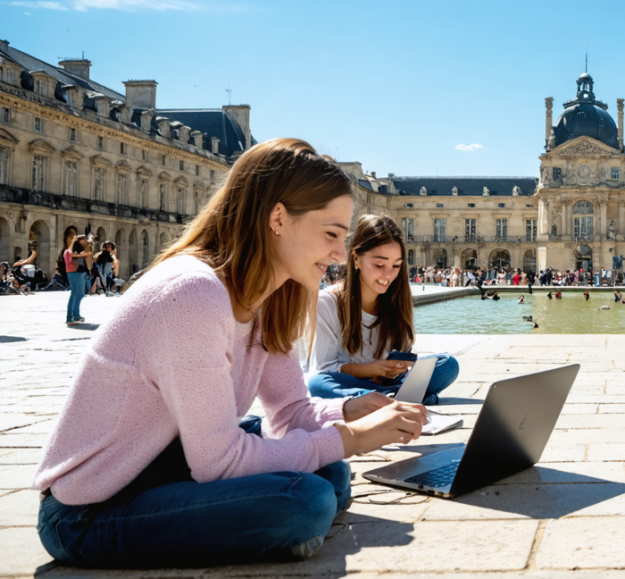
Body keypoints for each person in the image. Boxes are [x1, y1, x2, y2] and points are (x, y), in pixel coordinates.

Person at [32, 138, 429, 568]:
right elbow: (217, 461)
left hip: (168, 462)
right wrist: (352, 438)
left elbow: (289, 413)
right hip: (89, 509)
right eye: (331, 234)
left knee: (328, 472)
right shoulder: (193, 292)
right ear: (278, 218)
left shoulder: (269, 299)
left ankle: (273, 526)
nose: (338, 254)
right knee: (308, 498)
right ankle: (283, 527)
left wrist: (350, 411)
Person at [306, 215, 459, 405]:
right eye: (379, 265)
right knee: (318, 384)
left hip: (385, 384)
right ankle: (399, 398)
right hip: (347, 382)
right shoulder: (327, 303)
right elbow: (323, 369)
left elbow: (400, 355)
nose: (389, 274)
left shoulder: (397, 300)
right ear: (355, 259)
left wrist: (400, 367)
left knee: (448, 364)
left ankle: (381, 400)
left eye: (396, 265)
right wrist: (373, 369)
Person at [64, 235, 93, 325]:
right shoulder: (69, 251)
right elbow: (71, 253)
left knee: (79, 294)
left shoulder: (78, 251)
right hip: (74, 273)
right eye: (83, 240)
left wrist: (88, 241)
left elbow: (89, 252)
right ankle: (70, 317)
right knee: (76, 294)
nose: (85, 241)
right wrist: (74, 240)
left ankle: (75, 314)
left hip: (78, 272)